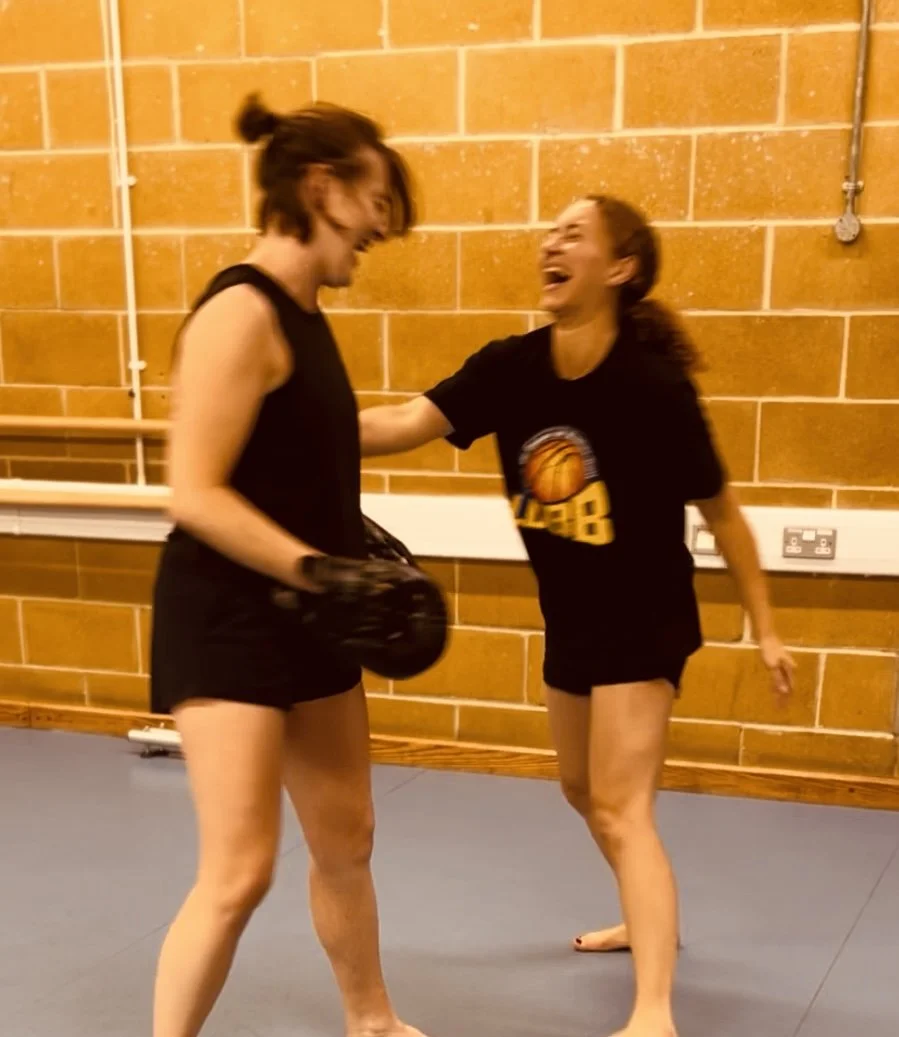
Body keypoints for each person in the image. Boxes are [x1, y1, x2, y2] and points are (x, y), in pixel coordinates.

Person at [357, 194, 796, 1037]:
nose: (549, 244)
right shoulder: (510, 367)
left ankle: (653, 1010)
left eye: (573, 234)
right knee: (580, 789)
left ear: (619, 267)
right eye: (549, 231)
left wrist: (766, 628)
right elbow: (406, 420)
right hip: (572, 617)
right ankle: (645, 912)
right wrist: (299, 427)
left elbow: (723, 514)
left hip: (645, 617)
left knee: (623, 807)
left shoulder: (652, 386)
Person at [149, 93, 430, 1037]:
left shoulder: (307, 317)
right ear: (320, 188)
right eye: (375, 199)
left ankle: (371, 1019)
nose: (380, 225)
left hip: (312, 613)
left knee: (347, 835)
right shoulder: (239, 313)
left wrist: (352, 551)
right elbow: (194, 491)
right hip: (228, 616)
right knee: (239, 872)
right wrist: (319, 568)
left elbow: (306, 455)